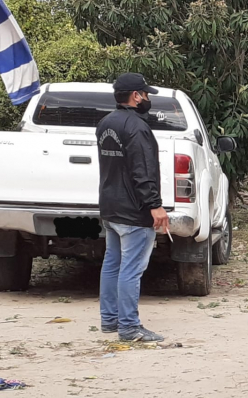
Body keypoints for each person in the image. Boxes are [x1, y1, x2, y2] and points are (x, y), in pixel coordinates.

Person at [95, 73, 169, 342]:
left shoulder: (106, 123)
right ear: (136, 96)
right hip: (133, 210)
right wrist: (155, 206)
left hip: (110, 206)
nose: (148, 99)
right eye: (146, 94)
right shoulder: (137, 127)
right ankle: (129, 327)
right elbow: (142, 169)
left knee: (112, 263)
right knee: (131, 268)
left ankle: (109, 319)